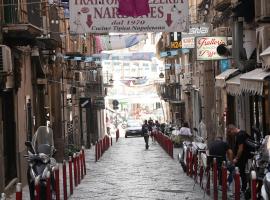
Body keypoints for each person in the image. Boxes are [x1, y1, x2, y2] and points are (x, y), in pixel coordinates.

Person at [227, 124, 249, 192]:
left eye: (230, 132)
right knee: (240, 172)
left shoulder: (240, 135)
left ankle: (241, 188)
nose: (230, 135)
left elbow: (240, 148)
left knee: (239, 172)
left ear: (232, 129)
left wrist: (236, 158)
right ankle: (241, 188)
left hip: (241, 158)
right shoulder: (242, 133)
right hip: (242, 157)